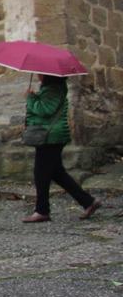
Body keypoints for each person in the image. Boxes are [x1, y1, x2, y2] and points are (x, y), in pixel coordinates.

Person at [22, 74, 101, 223]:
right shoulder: (51, 88)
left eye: (41, 73)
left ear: (48, 75)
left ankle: (42, 211)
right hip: (50, 135)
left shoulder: (53, 89)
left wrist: (30, 98)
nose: (38, 75)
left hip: (50, 136)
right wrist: (35, 96)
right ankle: (88, 202)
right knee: (57, 173)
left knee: (41, 174)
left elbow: (45, 110)